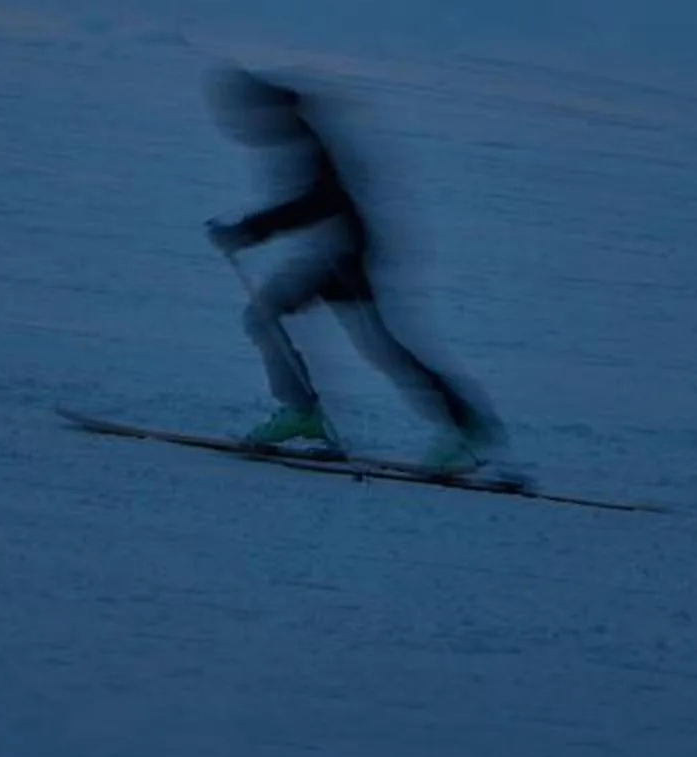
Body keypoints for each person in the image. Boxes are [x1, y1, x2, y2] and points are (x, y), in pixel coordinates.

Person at [205, 67, 501, 473]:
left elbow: (319, 202)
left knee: (360, 342)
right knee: (287, 322)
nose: (244, 123)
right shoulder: (299, 136)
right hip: (333, 254)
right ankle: (305, 413)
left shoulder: (305, 141)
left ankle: (462, 426)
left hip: (340, 257)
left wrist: (249, 230)